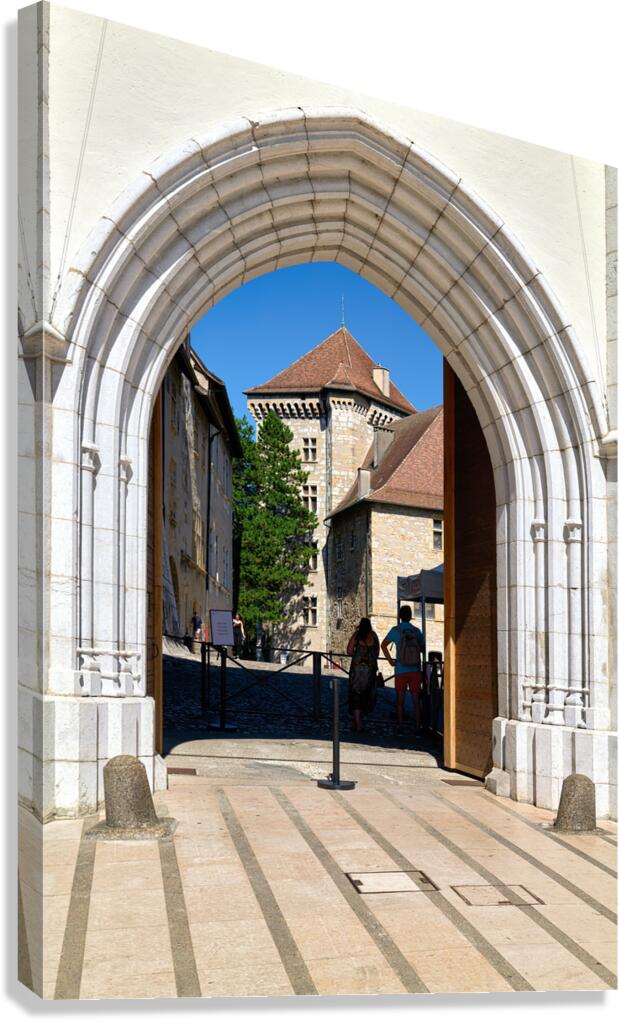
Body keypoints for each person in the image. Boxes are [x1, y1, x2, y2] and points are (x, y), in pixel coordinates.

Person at [381, 605, 425, 735]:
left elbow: (384, 645)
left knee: (400, 699)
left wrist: (389, 660)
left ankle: (400, 725)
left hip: (401, 669)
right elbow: (422, 648)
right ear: (410, 616)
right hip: (415, 670)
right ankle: (417, 726)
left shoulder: (396, 630)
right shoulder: (416, 631)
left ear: (400, 616)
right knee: (416, 700)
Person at [346, 617, 379, 733]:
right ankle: (356, 722)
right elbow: (377, 653)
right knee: (366, 695)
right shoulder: (374, 636)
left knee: (356, 696)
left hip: (357, 670)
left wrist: (357, 652)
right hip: (370, 670)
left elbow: (349, 650)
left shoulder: (357, 635)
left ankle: (358, 723)